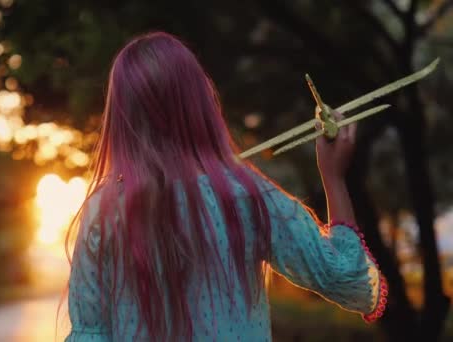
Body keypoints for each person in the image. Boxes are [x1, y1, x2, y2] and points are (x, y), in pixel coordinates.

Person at [64, 32, 387, 341]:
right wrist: (334, 178)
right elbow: (352, 282)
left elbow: (90, 334)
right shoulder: (245, 195)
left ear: (121, 115)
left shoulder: (101, 215)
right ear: (199, 101)